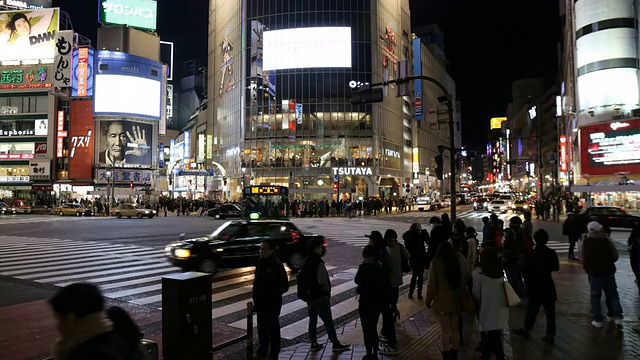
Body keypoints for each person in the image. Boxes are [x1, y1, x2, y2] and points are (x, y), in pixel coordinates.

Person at [48, 282, 139, 360]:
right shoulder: (118, 335)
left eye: (58, 320)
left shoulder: (91, 355)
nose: (57, 327)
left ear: (71, 319)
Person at [297, 237, 349, 352]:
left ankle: (313, 343)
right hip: (320, 297)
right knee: (328, 322)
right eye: (320, 247)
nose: (321, 250)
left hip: (309, 297)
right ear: (316, 248)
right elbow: (323, 281)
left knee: (313, 320)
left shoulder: (305, 261)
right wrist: (327, 292)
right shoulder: (318, 262)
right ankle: (335, 343)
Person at [512, 229, 559, 344]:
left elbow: (525, 269)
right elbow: (555, 267)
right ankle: (550, 334)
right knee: (550, 312)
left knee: (532, 310)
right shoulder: (551, 252)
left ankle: (526, 330)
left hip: (534, 286)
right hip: (548, 285)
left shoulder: (531, 253)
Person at [425, 242, 464, 360]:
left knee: (445, 330)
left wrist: (428, 300)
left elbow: (431, 285)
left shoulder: (436, 263)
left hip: (442, 302)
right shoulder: (456, 262)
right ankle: (455, 352)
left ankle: (446, 354)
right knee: (455, 329)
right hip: (456, 300)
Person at [581, 221, 623, 328]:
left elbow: (583, 258)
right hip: (608, 272)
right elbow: (615, 256)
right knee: (613, 295)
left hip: (594, 273)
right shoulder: (607, 240)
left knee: (595, 296)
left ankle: (597, 320)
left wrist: (587, 268)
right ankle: (618, 317)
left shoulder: (586, 241)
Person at [253, 241, 290, 359]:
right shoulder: (260, 262)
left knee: (273, 328)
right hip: (261, 303)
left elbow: (285, 286)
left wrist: (271, 293)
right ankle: (263, 349)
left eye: (264, 249)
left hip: (272, 303)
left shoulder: (277, 265)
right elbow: (256, 283)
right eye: (260, 249)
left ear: (271, 250)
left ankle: (274, 353)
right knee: (262, 327)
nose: (261, 252)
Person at [472, 247, 509, 360]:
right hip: (501, 307)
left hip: (486, 308)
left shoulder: (479, 273)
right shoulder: (500, 272)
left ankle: (491, 356)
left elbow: (476, 293)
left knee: (493, 334)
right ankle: (489, 355)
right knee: (495, 333)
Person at [366, 230, 397, 355]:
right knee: (387, 317)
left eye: (370, 239)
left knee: (385, 318)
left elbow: (383, 271)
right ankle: (389, 342)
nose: (369, 241)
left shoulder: (380, 252)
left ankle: (391, 345)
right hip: (386, 288)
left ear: (375, 241)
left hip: (382, 290)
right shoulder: (384, 249)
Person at [354, 245, 387, 360]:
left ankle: (369, 354)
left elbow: (357, 280)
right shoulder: (380, 267)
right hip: (377, 302)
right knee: (373, 327)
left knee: (366, 329)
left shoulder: (363, 267)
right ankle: (375, 353)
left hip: (365, 301)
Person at [502, 216, 526, 298]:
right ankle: (522, 292)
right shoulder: (522, 231)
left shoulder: (511, 232)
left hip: (511, 256)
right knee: (518, 275)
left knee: (512, 276)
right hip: (519, 254)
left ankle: (515, 293)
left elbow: (507, 244)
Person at [403, 223, 429, 299]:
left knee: (414, 275)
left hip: (412, 258)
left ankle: (410, 293)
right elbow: (427, 242)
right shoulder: (419, 236)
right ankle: (419, 294)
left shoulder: (407, 236)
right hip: (420, 257)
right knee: (420, 276)